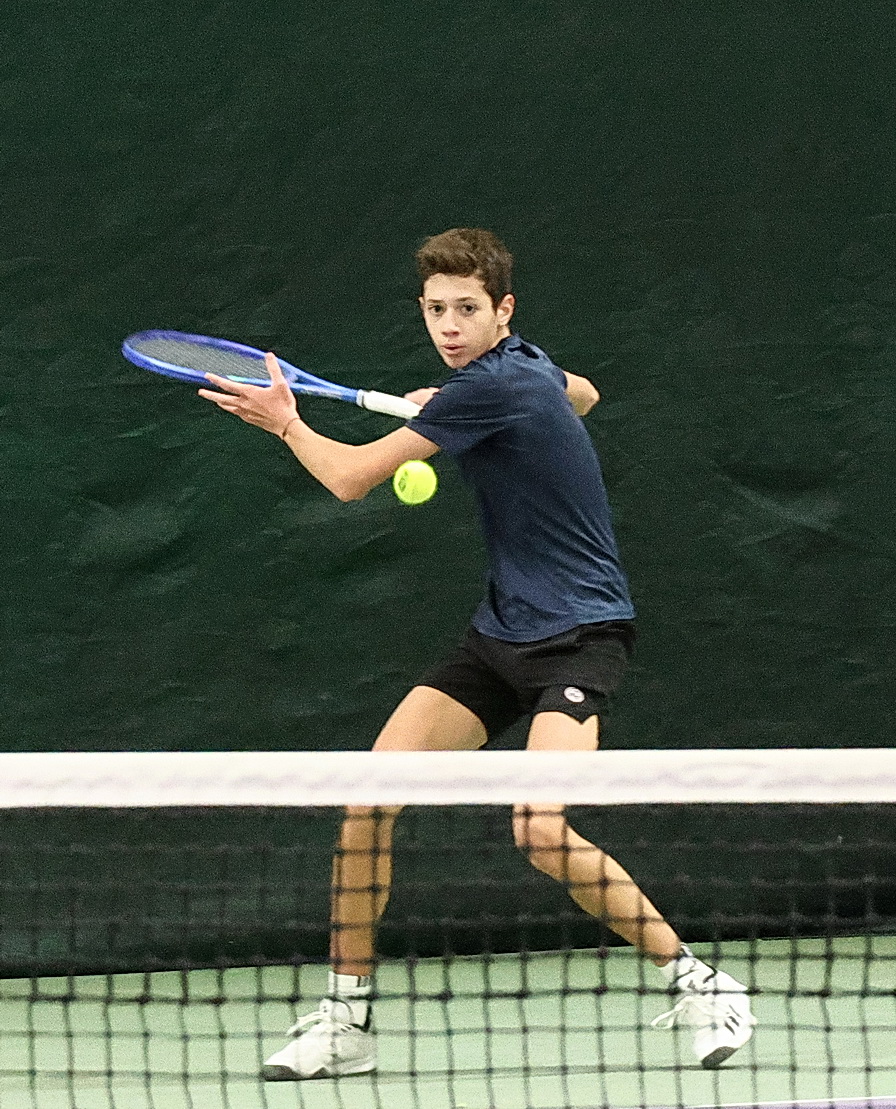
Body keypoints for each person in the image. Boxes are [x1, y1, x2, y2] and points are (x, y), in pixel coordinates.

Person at [198, 228, 756, 1080]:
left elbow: (348, 477)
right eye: (436, 310)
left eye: (467, 309)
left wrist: (286, 423)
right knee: (368, 800)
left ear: (504, 309)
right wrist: (465, 407)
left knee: (539, 828)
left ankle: (704, 983)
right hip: (499, 635)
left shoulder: (491, 384)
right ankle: (347, 1019)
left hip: (582, 636)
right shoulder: (524, 368)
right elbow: (584, 393)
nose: (450, 326)